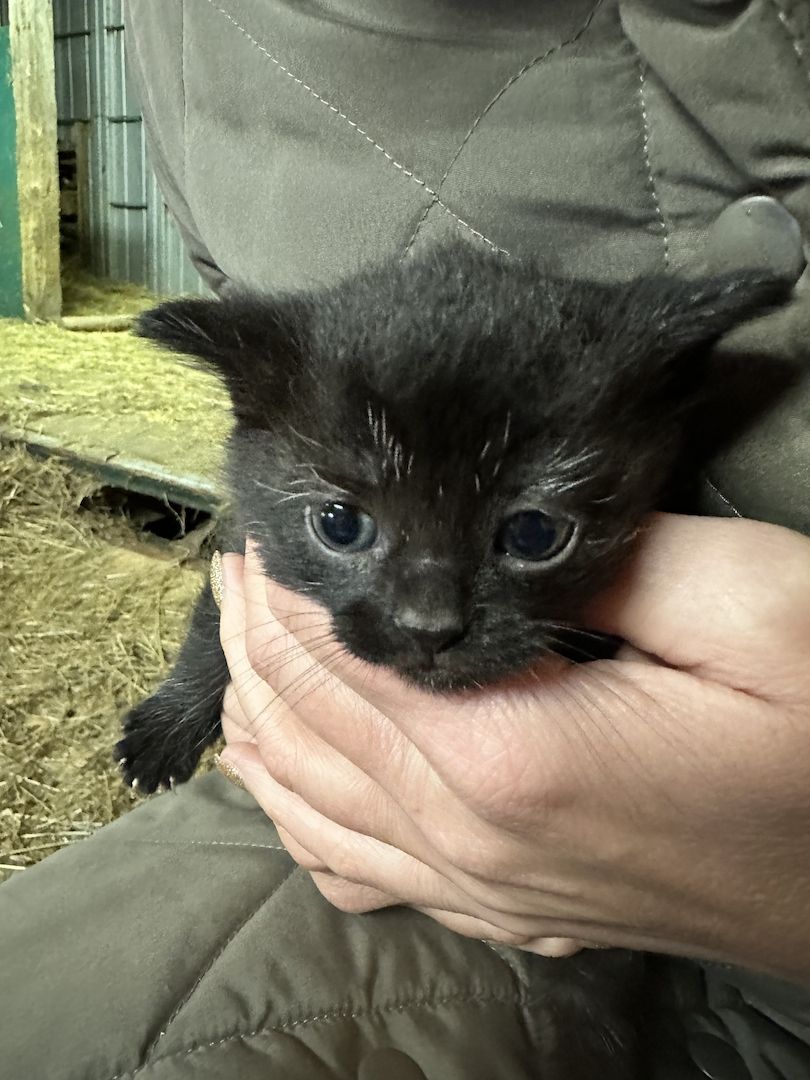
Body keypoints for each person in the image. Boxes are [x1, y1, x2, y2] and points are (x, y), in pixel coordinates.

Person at [1, 2, 809, 1078]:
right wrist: (187, 699)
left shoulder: (635, 412)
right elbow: (240, 555)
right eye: (344, 525)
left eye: (529, 531)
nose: (429, 616)